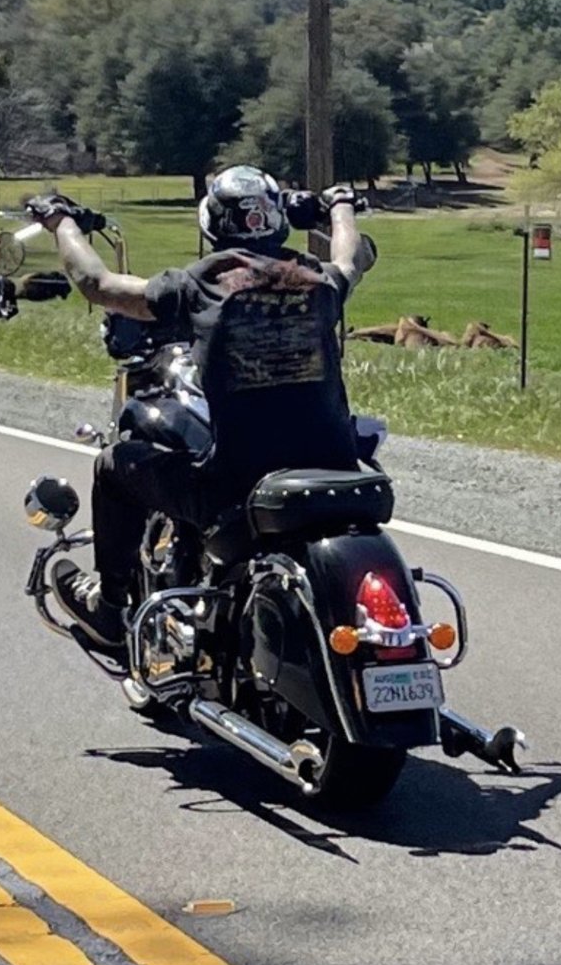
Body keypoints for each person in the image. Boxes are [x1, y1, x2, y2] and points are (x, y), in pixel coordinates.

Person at [23, 165, 374, 650]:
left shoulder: (201, 284)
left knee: (114, 464)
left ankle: (108, 605)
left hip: (235, 488)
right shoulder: (320, 282)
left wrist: (61, 221)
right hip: (336, 472)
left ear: (210, 226)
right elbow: (351, 257)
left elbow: (96, 281)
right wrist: (339, 206)